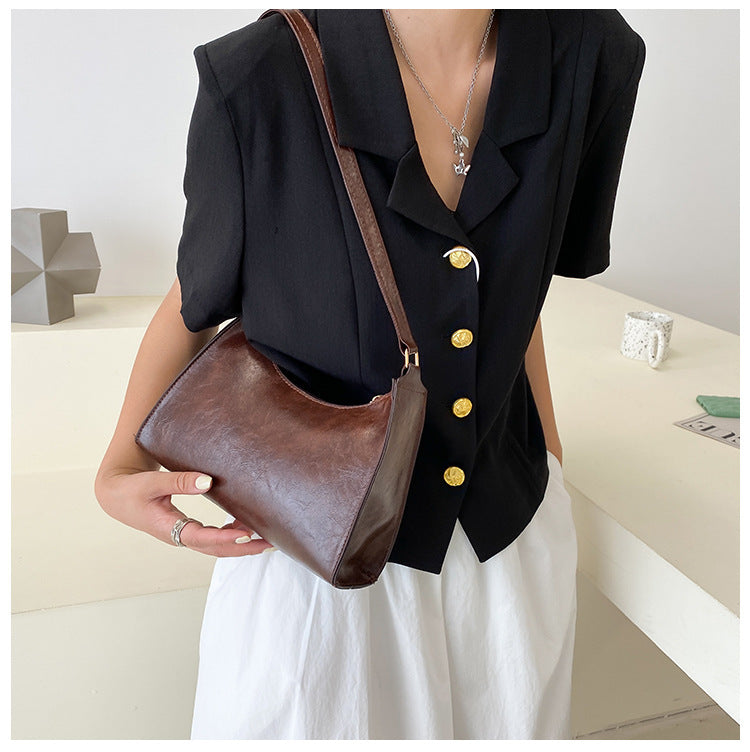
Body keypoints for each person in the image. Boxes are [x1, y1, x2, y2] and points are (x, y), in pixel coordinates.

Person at [95, 9, 646, 740]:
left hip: (506, 553)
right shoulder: (258, 77)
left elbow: (515, 280)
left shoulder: (592, 52)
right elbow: (196, 296)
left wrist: (550, 456)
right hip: (318, 562)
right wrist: (119, 465)